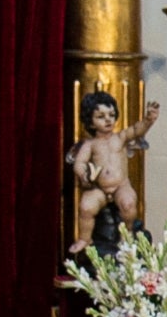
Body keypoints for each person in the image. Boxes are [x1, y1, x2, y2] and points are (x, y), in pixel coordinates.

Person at [66, 86, 158, 256]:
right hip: (99, 188)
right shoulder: (90, 144)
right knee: (86, 207)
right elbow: (79, 163)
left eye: (111, 115)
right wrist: (84, 174)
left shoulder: (120, 138)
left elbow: (137, 130)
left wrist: (148, 120)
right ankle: (85, 239)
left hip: (120, 185)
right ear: (90, 121)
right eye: (101, 117)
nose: (108, 120)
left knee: (128, 203)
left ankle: (128, 234)